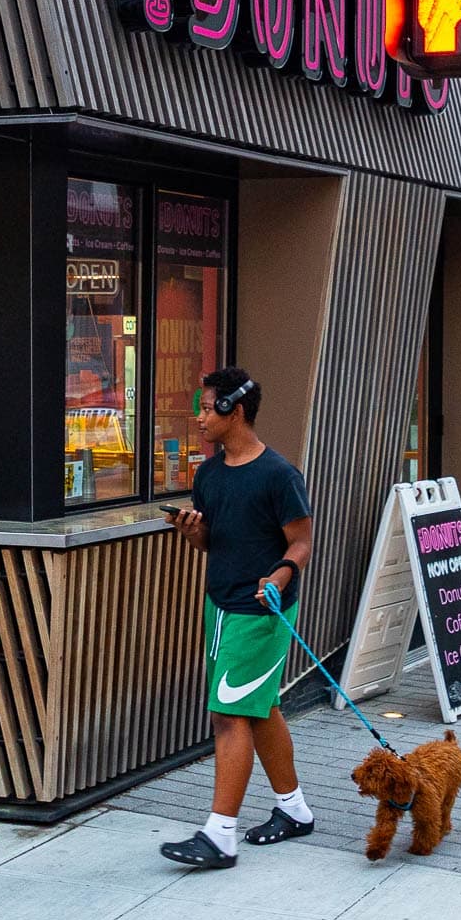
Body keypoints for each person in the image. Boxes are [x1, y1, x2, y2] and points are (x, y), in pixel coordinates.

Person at [159, 367, 315, 869]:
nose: (200, 418)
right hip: (220, 607)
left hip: (260, 612)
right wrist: (192, 532)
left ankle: (220, 835)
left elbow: (302, 542)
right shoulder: (209, 475)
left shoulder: (279, 475)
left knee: (228, 715)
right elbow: (213, 541)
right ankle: (294, 810)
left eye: (208, 408)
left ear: (235, 410)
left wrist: (281, 576)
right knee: (259, 708)